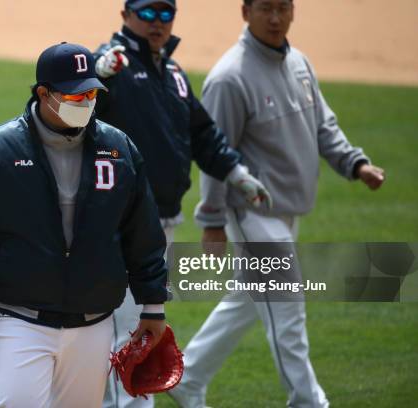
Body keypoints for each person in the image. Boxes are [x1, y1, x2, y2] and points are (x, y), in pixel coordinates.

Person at [168, 1, 386, 407]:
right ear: (245, 12)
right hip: (251, 214)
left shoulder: (299, 63)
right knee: (288, 312)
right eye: (265, 8)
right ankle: (308, 400)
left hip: (287, 210)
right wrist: (212, 219)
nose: (274, 18)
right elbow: (215, 154)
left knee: (249, 301)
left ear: (292, 12)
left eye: (282, 8)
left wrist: (355, 164)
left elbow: (324, 125)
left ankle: (188, 375)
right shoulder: (230, 78)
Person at [0, 42, 173, 408]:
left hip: (94, 323)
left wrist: (153, 305)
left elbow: (142, 233)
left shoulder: (119, 148)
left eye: (91, 93)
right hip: (20, 319)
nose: (85, 102)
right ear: (43, 93)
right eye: (74, 95)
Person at [93, 1, 273, 406]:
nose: (158, 23)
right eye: (147, 14)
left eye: (165, 14)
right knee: (137, 332)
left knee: (131, 330)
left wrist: (237, 175)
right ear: (125, 16)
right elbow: (75, 110)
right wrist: (96, 75)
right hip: (118, 226)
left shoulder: (173, 74)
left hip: (161, 224)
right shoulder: (111, 66)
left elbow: (204, 136)